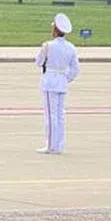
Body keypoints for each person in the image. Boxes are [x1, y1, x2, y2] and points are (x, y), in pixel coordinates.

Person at [35, 13, 79, 154]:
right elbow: (75, 69)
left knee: (50, 115)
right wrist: (66, 78)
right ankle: (59, 144)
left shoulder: (48, 46)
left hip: (50, 81)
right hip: (61, 81)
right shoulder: (71, 47)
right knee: (60, 115)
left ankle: (50, 145)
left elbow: (39, 62)